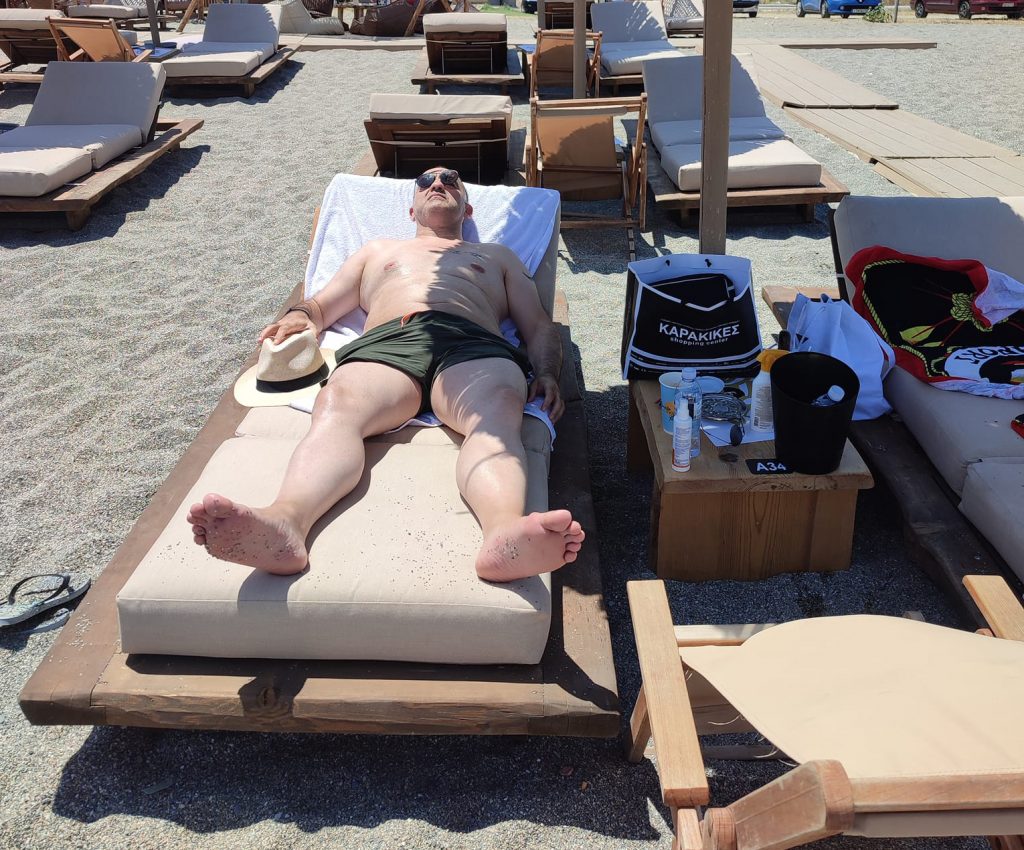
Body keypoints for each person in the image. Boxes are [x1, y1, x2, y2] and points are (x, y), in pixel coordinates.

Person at [187, 167, 585, 582]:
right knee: (338, 404)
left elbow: (538, 325)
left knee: (500, 408)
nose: (437, 184)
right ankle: (286, 523)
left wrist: (547, 372)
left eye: (451, 180)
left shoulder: (497, 256)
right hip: (391, 339)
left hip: (472, 341)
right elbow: (320, 307)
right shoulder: (377, 251)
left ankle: (503, 533)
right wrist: (300, 315)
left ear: (467, 210)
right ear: (411, 211)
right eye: (425, 182)